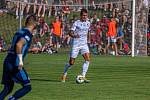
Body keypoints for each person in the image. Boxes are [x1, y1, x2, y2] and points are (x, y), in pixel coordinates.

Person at [0, 14, 37, 100]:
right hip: (15, 63)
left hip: (8, 60)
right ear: (34, 24)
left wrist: (30, 49)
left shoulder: (19, 31)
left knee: (7, 88)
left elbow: (17, 46)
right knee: (27, 86)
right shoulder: (27, 33)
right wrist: (20, 61)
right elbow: (19, 44)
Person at [61, 8, 91, 83]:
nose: (85, 17)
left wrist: (89, 39)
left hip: (84, 44)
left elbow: (88, 31)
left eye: (86, 15)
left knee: (87, 60)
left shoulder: (88, 23)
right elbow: (70, 32)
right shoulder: (76, 23)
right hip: (76, 44)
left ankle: (83, 76)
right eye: (83, 15)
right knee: (71, 63)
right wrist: (74, 36)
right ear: (80, 15)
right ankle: (64, 73)